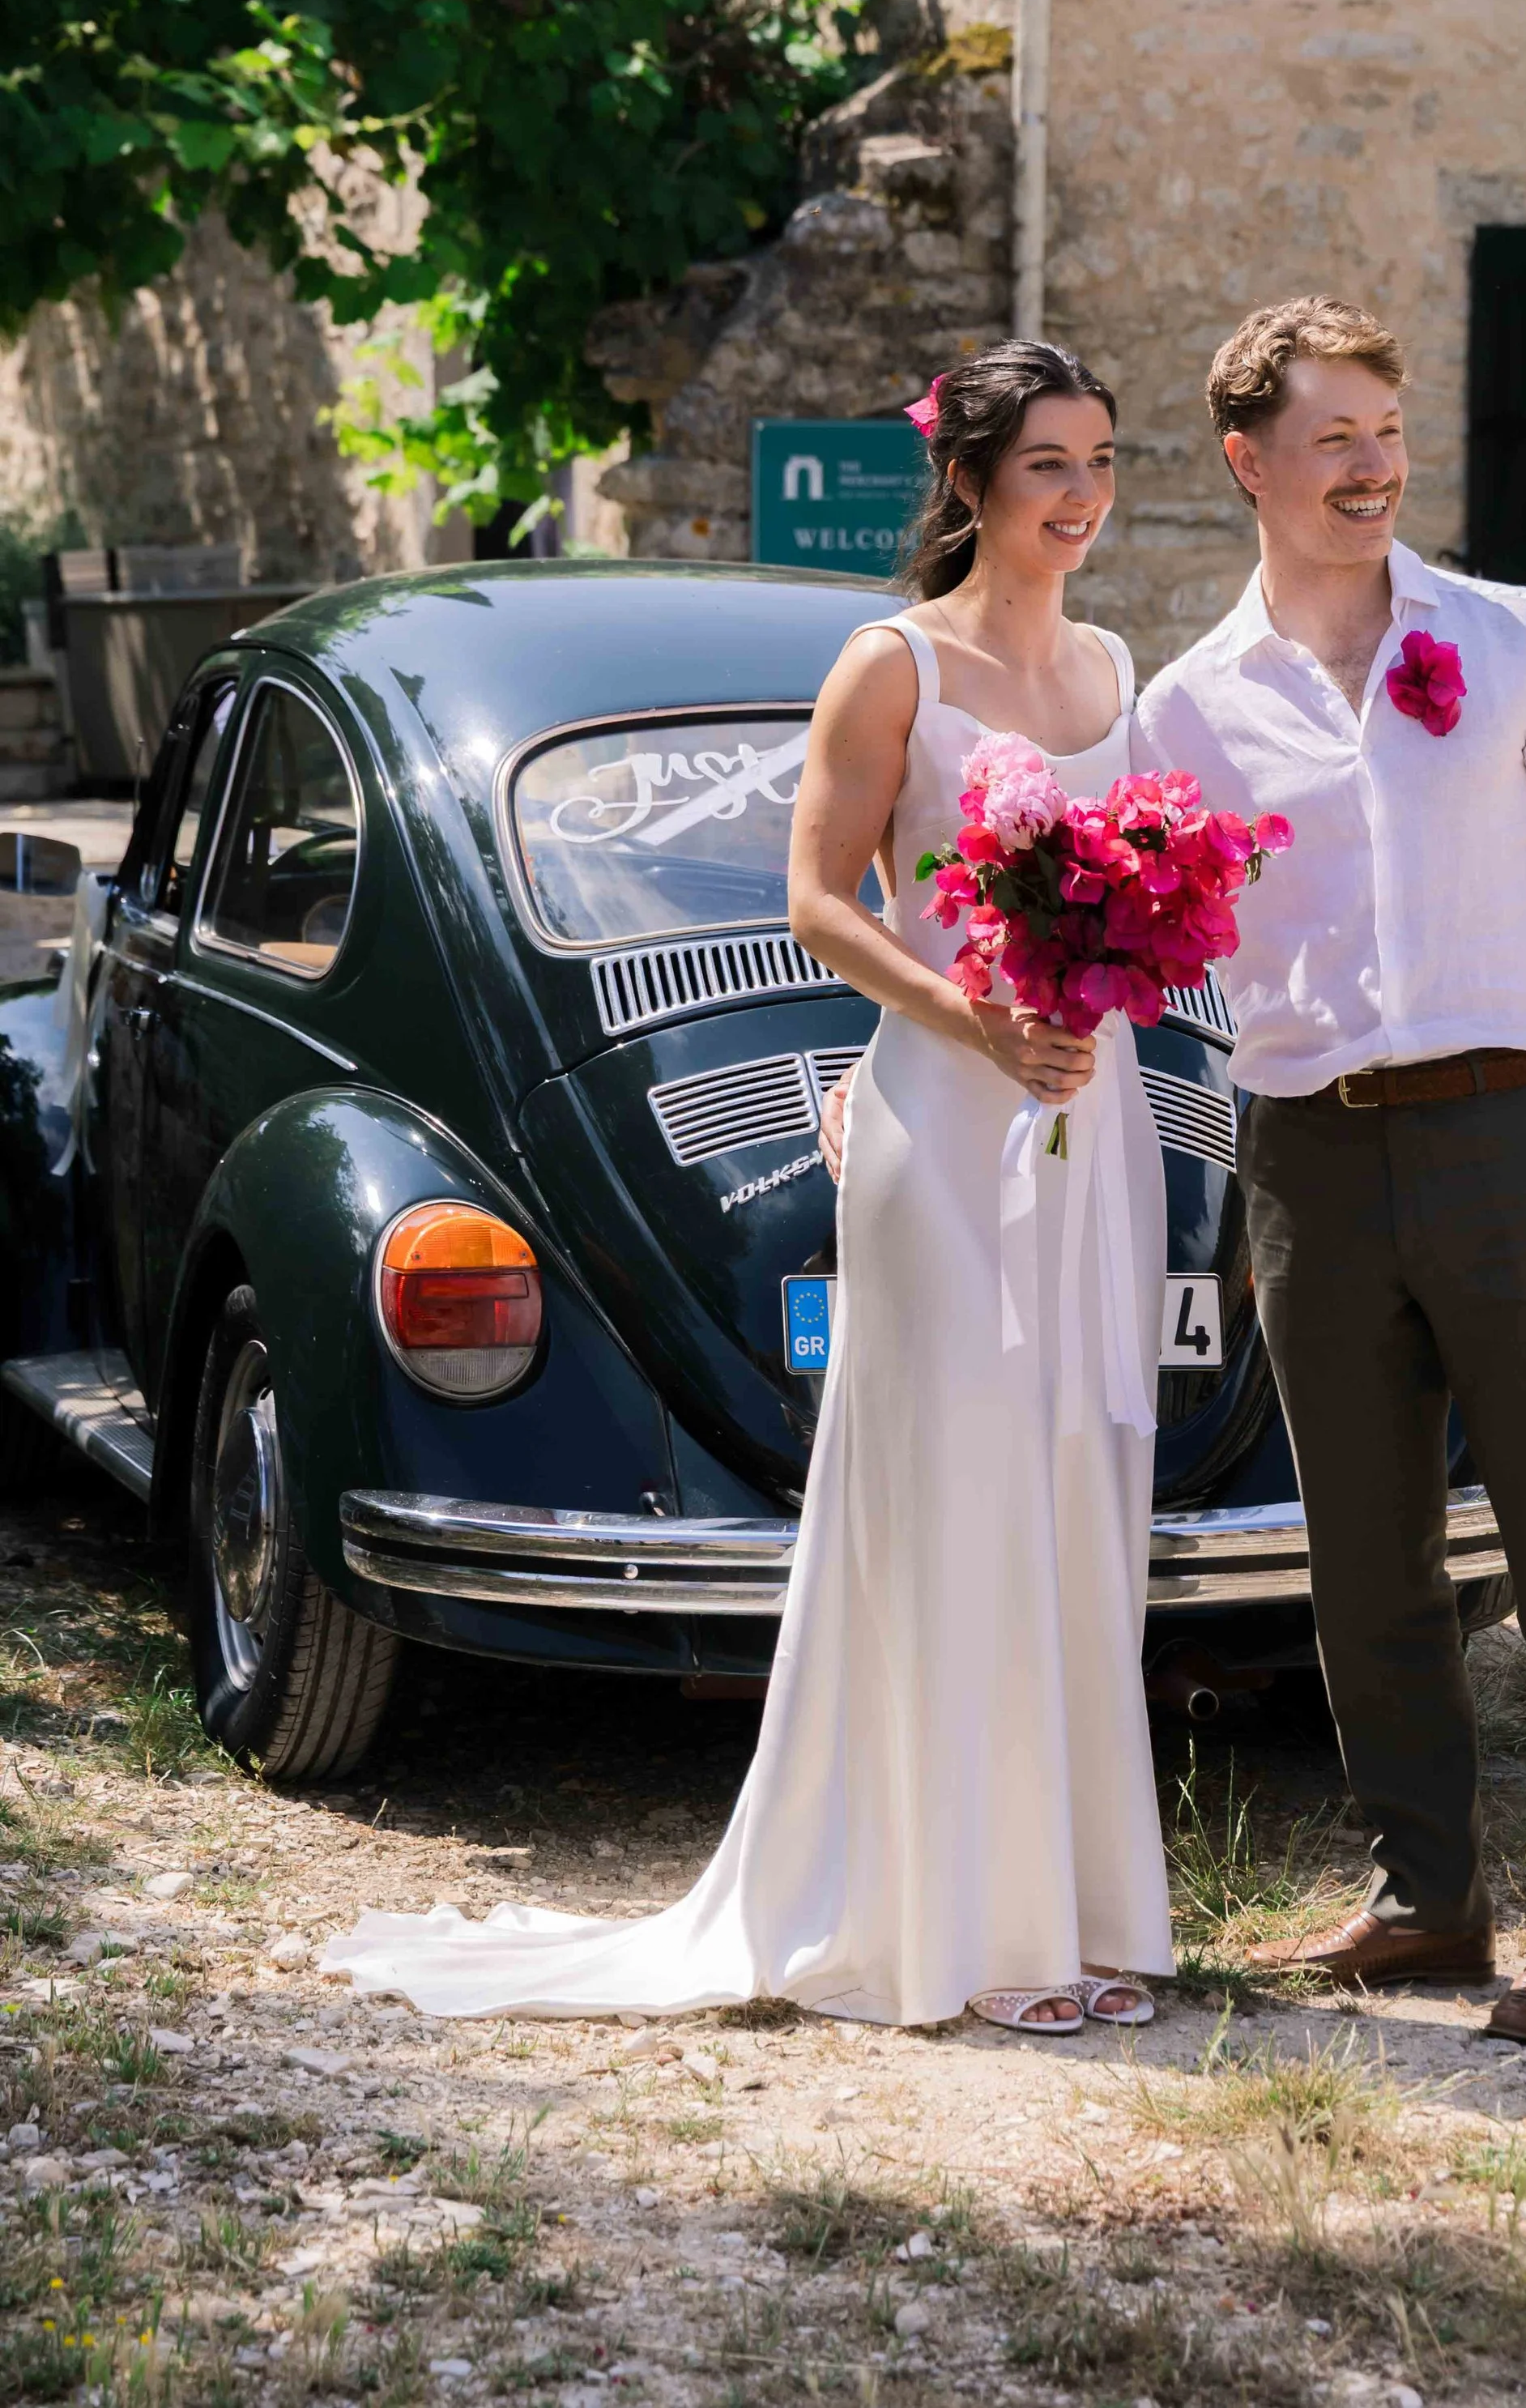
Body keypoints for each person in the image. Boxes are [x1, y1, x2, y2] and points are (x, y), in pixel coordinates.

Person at [322, 340, 1174, 2035]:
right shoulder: (891, 666)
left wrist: (1105, 992)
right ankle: (950, 1926)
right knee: (946, 1478)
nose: (1078, 500)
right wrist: (963, 1023)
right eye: (1045, 470)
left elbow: (1144, 883)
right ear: (973, 487)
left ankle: (1074, 1909)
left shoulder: (1111, 667)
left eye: (1097, 464)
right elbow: (817, 901)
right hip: (948, 1102)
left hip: (1097, 1113)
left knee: (1077, 1474)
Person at [1135, 295, 1526, 2048]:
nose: (1370, 468)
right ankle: (1425, 1897)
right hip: (1300, 1156)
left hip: (1511, 1126)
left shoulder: (1510, 638)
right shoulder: (1185, 706)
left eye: (1384, 431)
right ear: (1248, 462)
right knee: (1360, 1556)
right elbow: (1131, 930)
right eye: (1331, 439)